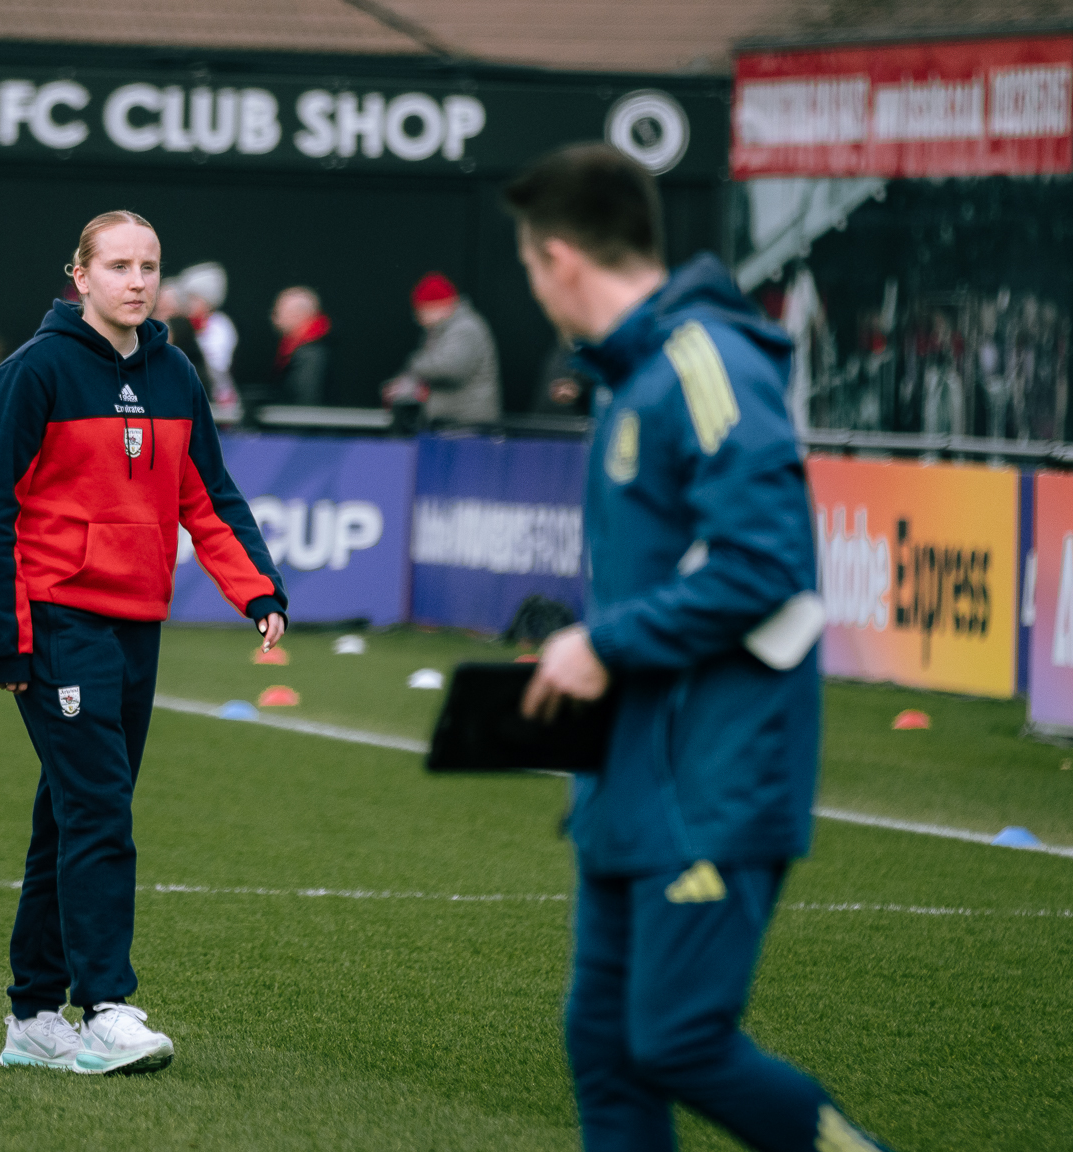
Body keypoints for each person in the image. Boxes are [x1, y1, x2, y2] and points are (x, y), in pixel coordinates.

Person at [511, 143, 894, 1152]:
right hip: (631, 779)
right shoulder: (629, 379)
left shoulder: (703, 365)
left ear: (556, 258)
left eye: (524, 261)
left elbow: (763, 563)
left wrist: (605, 645)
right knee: (603, 1045)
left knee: (675, 1038)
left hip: (712, 778)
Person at [0, 210, 287, 1076]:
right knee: (101, 807)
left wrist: (255, 588)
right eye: (118, 265)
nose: (137, 281)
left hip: (138, 624)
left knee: (69, 815)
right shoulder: (31, 374)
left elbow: (209, 497)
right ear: (80, 276)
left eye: (149, 265)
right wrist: (10, 638)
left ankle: (33, 1016)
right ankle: (104, 1003)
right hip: (58, 620)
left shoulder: (175, 372)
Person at [381, 272, 500, 430]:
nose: (420, 319)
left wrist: (414, 364)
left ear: (438, 306)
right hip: (451, 425)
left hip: (469, 426)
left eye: (421, 312)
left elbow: (449, 368)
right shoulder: (439, 331)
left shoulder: (465, 328)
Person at [176, 261, 240, 410]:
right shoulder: (187, 325)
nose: (188, 304)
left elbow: (219, 364)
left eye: (193, 298)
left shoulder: (220, 325)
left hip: (218, 396)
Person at [270, 285, 333, 405]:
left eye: (278, 312)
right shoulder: (303, 349)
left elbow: (305, 402)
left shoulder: (311, 355)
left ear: (298, 314)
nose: (274, 318)